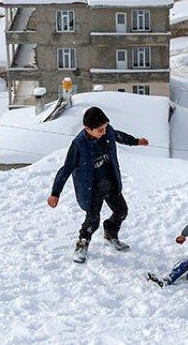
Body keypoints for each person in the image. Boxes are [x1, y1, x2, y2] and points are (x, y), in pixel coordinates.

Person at [48, 106, 149, 263]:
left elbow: (118, 136)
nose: (104, 132)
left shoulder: (107, 131)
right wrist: (55, 193)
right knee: (93, 219)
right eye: (100, 130)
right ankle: (82, 244)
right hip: (92, 187)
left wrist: (136, 141)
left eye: (105, 128)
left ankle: (110, 233)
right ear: (87, 128)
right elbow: (67, 168)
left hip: (110, 180)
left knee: (121, 211)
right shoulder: (79, 144)